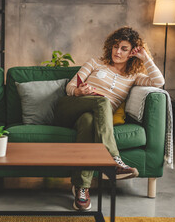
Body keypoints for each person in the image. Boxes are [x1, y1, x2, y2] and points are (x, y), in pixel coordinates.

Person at [53, 27, 165, 211]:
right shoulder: (96, 62)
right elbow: (70, 87)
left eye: (124, 48)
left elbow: (158, 82)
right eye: (115, 47)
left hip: (88, 117)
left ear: (132, 53)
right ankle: (114, 159)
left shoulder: (134, 76)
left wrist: (145, 58)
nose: (117, 52)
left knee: (89, 122)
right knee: (103, 102)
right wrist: (79, 91)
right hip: (71, 107)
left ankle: (81, 187)